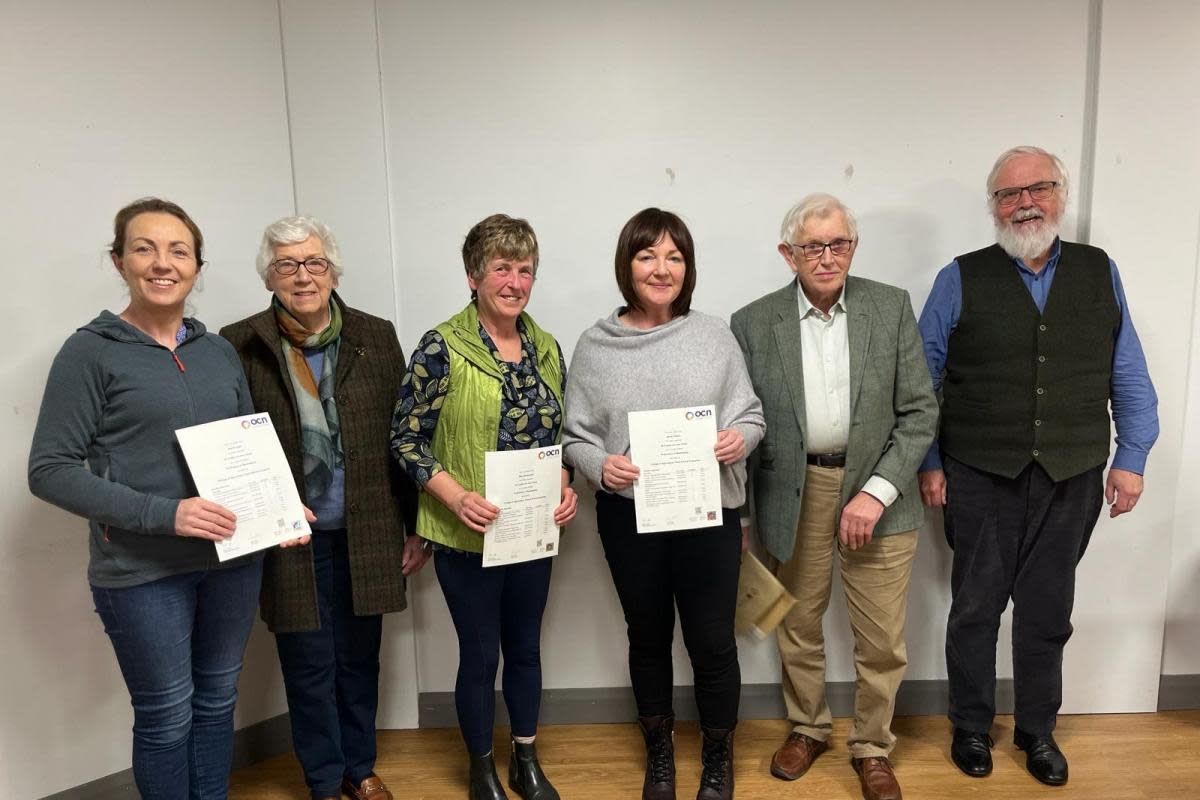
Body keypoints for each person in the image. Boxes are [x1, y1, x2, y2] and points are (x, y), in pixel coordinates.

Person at [27, 197, 287, 800]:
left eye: (178, 250)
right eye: (144, 248)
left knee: (218, 702)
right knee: (168, 717)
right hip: (143, 574)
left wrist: (279, 509)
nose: (162, 263)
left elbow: (247, 446)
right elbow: (50, 469)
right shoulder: (89, 352)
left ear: (196, 266)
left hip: (231, 563)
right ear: (119, 261)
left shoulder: (217, 351)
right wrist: (165, 514)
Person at [917, 146, 1158, 787]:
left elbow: (1127, 369)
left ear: (1062, 194)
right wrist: (931, 460)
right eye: (1009, 193)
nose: (1025, 202)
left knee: (1048, 609)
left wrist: (1131, 456)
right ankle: (970, 725)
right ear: (993, 207)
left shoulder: (1099, 271)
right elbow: (920, 384)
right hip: (977, 472)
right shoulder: (958, 277)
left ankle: (1036, 729)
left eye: (1039, 188)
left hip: (1073, 473)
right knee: (975, 607)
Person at [730, 194, 938, 800]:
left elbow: (920, 412)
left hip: (881, 491)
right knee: (796, 621)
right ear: (787, 254)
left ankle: (873, 747)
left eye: (838, 244)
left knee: (881, 638)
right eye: (812, 247)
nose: (827, 257)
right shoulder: (752, 322)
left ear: (853, 246)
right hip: (792, 493)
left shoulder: (890, 307)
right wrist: (742, 513)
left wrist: (873, 493)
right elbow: (742, 423)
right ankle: (808, 727)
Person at [220, 216, 427, 800]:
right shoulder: (238, 344)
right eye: (287, 264)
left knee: (361, 660)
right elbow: (230, 441)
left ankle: (360, 769)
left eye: (314, 262)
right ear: (270, 276)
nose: (302, 275)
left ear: (333, 270)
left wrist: (415, 528)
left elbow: (402, 436)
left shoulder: (375, 334)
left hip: (367, 529)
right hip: (290, 538)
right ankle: (322, 779)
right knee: (308, 666)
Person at [563, 208, 764, 800]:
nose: (662, 268)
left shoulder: (714, 335)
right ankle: (659, 758)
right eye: (648, 255)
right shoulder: (595, 345)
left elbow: (751, 415)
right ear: (627, 264)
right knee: (646, 636)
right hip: (629, 517)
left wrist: (738, 439)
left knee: (712, 640)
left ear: (688, 268)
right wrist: (603, 465)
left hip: (708, 516)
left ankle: (718, 759)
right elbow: (575, 438)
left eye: (675, 257)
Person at [391, 213, 576, 800]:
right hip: (466, 534)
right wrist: (454, 495)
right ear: (473, 275)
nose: (515, 281)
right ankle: (480, 768)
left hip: (531, 534)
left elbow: (562, 434)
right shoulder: (441, 346)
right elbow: (405, 438)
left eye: (525, 270)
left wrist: (566, 485)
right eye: (502, 268)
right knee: (480, 652)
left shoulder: (546, 347)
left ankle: (525, 758)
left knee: (525, 647)